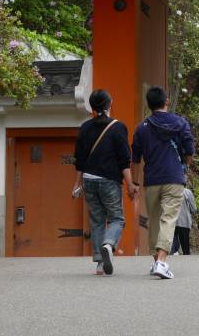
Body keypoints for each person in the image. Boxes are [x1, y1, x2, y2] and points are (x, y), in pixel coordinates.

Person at [132, 86, 196, 280]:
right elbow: (190, 150)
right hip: (174, 178)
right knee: (168, 218)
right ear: (166, 102)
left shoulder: (142, 128)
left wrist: (134, 182)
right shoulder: (180, 123)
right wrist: (185, 164)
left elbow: (135, 157)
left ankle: (157, 261)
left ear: (148, 105)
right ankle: (161, 262)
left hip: (151, 179)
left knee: (154, 221)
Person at [71, 89, 137, 276]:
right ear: (109, 105)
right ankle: (109, 244)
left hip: (89, 181)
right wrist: (130, 184)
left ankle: (100, 263)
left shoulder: (84, 127)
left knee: (97, 220)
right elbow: (124, 160)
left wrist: (77, 183)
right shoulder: (118, 127)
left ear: (92, 106)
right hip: (109, 180)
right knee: (117, 218)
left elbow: (79, 160)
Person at [170, 184, 197, 255]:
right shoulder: (187, 192)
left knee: (171, 243)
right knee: (185, 247)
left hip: (171, 221)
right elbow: (194, 209)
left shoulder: (169, 191)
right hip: (184, 222)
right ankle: (186, 261)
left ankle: (169, 258)